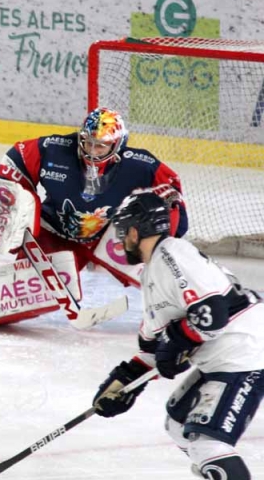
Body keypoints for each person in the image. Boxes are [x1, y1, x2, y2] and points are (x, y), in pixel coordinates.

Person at [92, 191, 264, 480]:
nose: (120, 241)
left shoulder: (173, 253)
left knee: (207, 443)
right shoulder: (153, 271)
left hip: (246, 349)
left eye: (123, 232)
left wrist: (176, 342)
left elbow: (212, 314)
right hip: (222, 355)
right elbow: (153, 347)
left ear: (135, 231)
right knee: (177, 423)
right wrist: (124, 383)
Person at [0, 107, 189, 325]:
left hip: (108, 237)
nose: (92, 151)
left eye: (101, 145)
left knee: (156, 271)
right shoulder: (55, 149)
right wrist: (18, 206)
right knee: (26, 296)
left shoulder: (140, 165)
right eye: (88, 143)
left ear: (117, 145)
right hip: (54, 233)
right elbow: (16, 158)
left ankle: (188, 304)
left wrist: (166, 239)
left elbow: (172, 195)